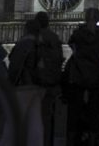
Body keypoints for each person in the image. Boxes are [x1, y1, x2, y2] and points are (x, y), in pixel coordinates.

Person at [66, 7, 99, 146]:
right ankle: (92, 140)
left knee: (75, 110)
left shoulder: (78, 33)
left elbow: (71, 44)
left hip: (79, 75)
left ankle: (72, 141)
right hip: (96, 76)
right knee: (94, 110)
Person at [7, 19, 46, 145]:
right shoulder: (39, 44)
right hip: (35, 87)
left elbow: (15, 66)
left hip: (23, 87)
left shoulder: (24, 43)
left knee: (14, 123)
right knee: (35, 125)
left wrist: (9, 83)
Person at [35, 11, 64, 146]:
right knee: (48, 117)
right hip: (51, 83)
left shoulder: (35, 37)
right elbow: (60, 60)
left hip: (37, 84)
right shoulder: (55, 38)